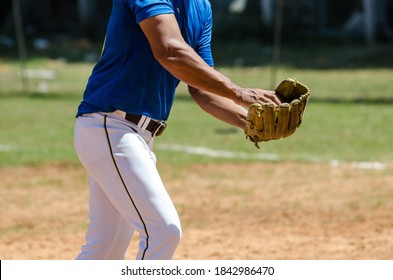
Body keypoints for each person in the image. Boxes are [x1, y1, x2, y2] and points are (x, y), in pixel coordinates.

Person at [74, 0, 281, 260]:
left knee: (104, 249)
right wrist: (239, 93)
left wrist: (250, 121)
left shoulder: (201, 7)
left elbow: (201, 86)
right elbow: (169, 50)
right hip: (110, 126)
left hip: (134, 136)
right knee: (163, 231)